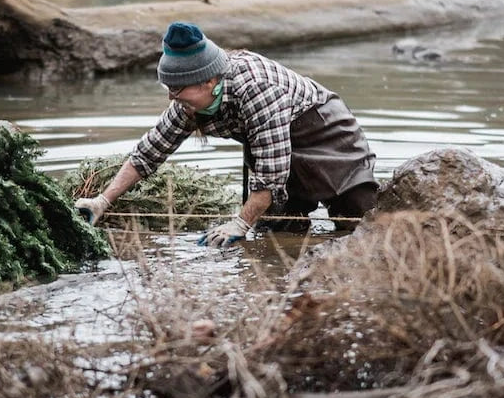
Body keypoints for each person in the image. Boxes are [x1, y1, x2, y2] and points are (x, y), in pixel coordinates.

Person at [75, 21, 378, 247]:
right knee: (274, 234)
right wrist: (102, 200)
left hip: (327, 137)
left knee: (359, 225)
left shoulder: (257, 90)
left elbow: (270, 178)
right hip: (271, 147)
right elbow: (149, 152)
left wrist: (239, 223)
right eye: (168, 89)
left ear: (208, 82)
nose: (172, 98)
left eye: (178, 89)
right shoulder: (188, 103)